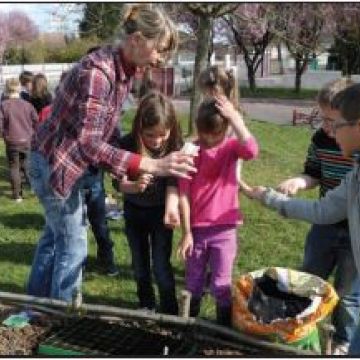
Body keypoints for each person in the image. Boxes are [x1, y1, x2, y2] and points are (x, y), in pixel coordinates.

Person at [27, 4, 196, 302]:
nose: (161, 59)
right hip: (53, 162)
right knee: (74, 244)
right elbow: (89, 143)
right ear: (138, 40)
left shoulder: (123, 72)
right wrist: (154, 165)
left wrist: (128, 170)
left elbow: (108, 131)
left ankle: (35, 304)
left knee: (55, 238)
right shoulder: (99, 73)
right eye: (160, 50)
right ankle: (61, 315)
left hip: (63, 163)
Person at [248, 83, 360, 355]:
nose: (330, 132)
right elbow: (323, 211)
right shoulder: (355, 174)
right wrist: (270, 198)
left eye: (337, 124)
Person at [177, 96, 259, 326]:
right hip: (197, 230)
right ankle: (187, 325)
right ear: (198, 128)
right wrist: (186, 232)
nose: (210, 140)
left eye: (216, 135)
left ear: (225, 129)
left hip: (225, 230)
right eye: (205, 135)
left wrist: (235, 118)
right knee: (193, 282)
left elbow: (252, 150)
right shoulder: (191, 152)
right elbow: (183, 194)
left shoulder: (232, 148)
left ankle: (224, 330)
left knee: (221, 284)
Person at [114, 91, 182, 315]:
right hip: (134, 213)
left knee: (161, 267)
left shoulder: (174, 145)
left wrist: (172, 208)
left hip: (161, 214)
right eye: (150, 135)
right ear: (139, 128)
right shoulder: (126, 143)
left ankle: (170, 312)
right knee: (140, 266)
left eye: (162, 134)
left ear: (171, 128)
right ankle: (146, 306)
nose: (156, 141)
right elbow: (117, 183)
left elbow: (174, 181)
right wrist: (134, 187)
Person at [198, 65, 253, 195]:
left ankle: (238, 183)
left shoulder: (231, 113)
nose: (205, 96)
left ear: (215, 90)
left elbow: (243, 148)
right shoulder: (208, 109)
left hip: (226, 160)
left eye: (206, 92)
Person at [0, 78, 38, 202]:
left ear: (6, 89)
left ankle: (17, 196)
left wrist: (4, 135)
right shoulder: (28, 105)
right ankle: (34, 188)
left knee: (14, 167)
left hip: (12, 141)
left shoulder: (3, 105)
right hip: (27, 139)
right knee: (27, 165)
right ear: (18, 89)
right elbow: (36, 121)